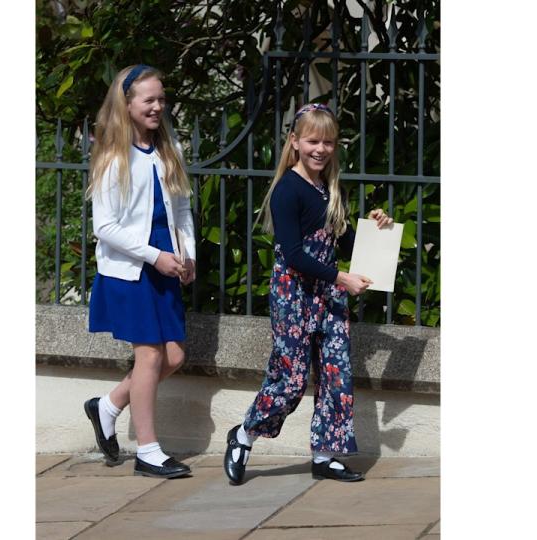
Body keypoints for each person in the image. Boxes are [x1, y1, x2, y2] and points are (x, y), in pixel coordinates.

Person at [223, 103, 393, 485]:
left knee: (336, 373)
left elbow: (345, 240)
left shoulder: (328, 189)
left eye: (328, 142)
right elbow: (294, 254)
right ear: (295, 142)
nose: (320, 148)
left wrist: (377, 226)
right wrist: (341, 279)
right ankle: (244, 435)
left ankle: (325, 454)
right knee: (292, 377)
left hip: (330, 295)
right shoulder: (288, 190)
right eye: (313, 140)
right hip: (295, 294)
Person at [82, 64, 196, 479]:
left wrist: (188, 254)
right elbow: (105, 227)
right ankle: (148, 451)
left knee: (176, 355)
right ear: (126, 104)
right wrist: (154, 256)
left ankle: (108, 405)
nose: (157, 106)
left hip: (166, 265)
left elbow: (181, 209)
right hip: (131, 270)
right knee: (148, 356)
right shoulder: (114, 157)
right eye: (148, 99)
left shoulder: (170, 151)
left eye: (161, 99)